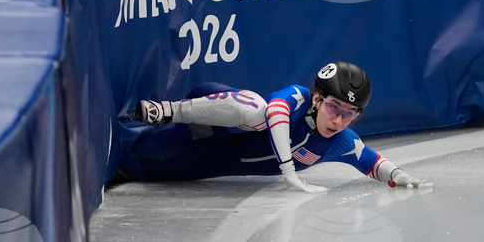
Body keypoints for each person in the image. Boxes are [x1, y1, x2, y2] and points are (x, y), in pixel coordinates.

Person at [116, 62, 430, 192]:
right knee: (257, 110)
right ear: (318, 99)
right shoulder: (297, 97)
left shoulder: (341, 140)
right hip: (210, 121)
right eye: (335, 108)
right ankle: (166, 110)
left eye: (350, 114)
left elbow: (373, 162)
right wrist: (289, 171)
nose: (339, 120)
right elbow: (276, 113)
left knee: (128, 165)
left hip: (196, 159)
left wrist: (400, 176)